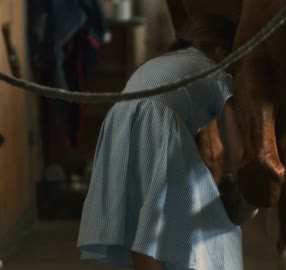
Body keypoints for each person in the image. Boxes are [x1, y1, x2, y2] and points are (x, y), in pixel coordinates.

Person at [77, 16, 257, 270]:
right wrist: (251, 194)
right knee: (171, 223)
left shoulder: (167, 60)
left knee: (143, 219)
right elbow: (240, 154)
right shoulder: (216, 72)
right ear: (221, 51)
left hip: (120, 127)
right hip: (156, 128)